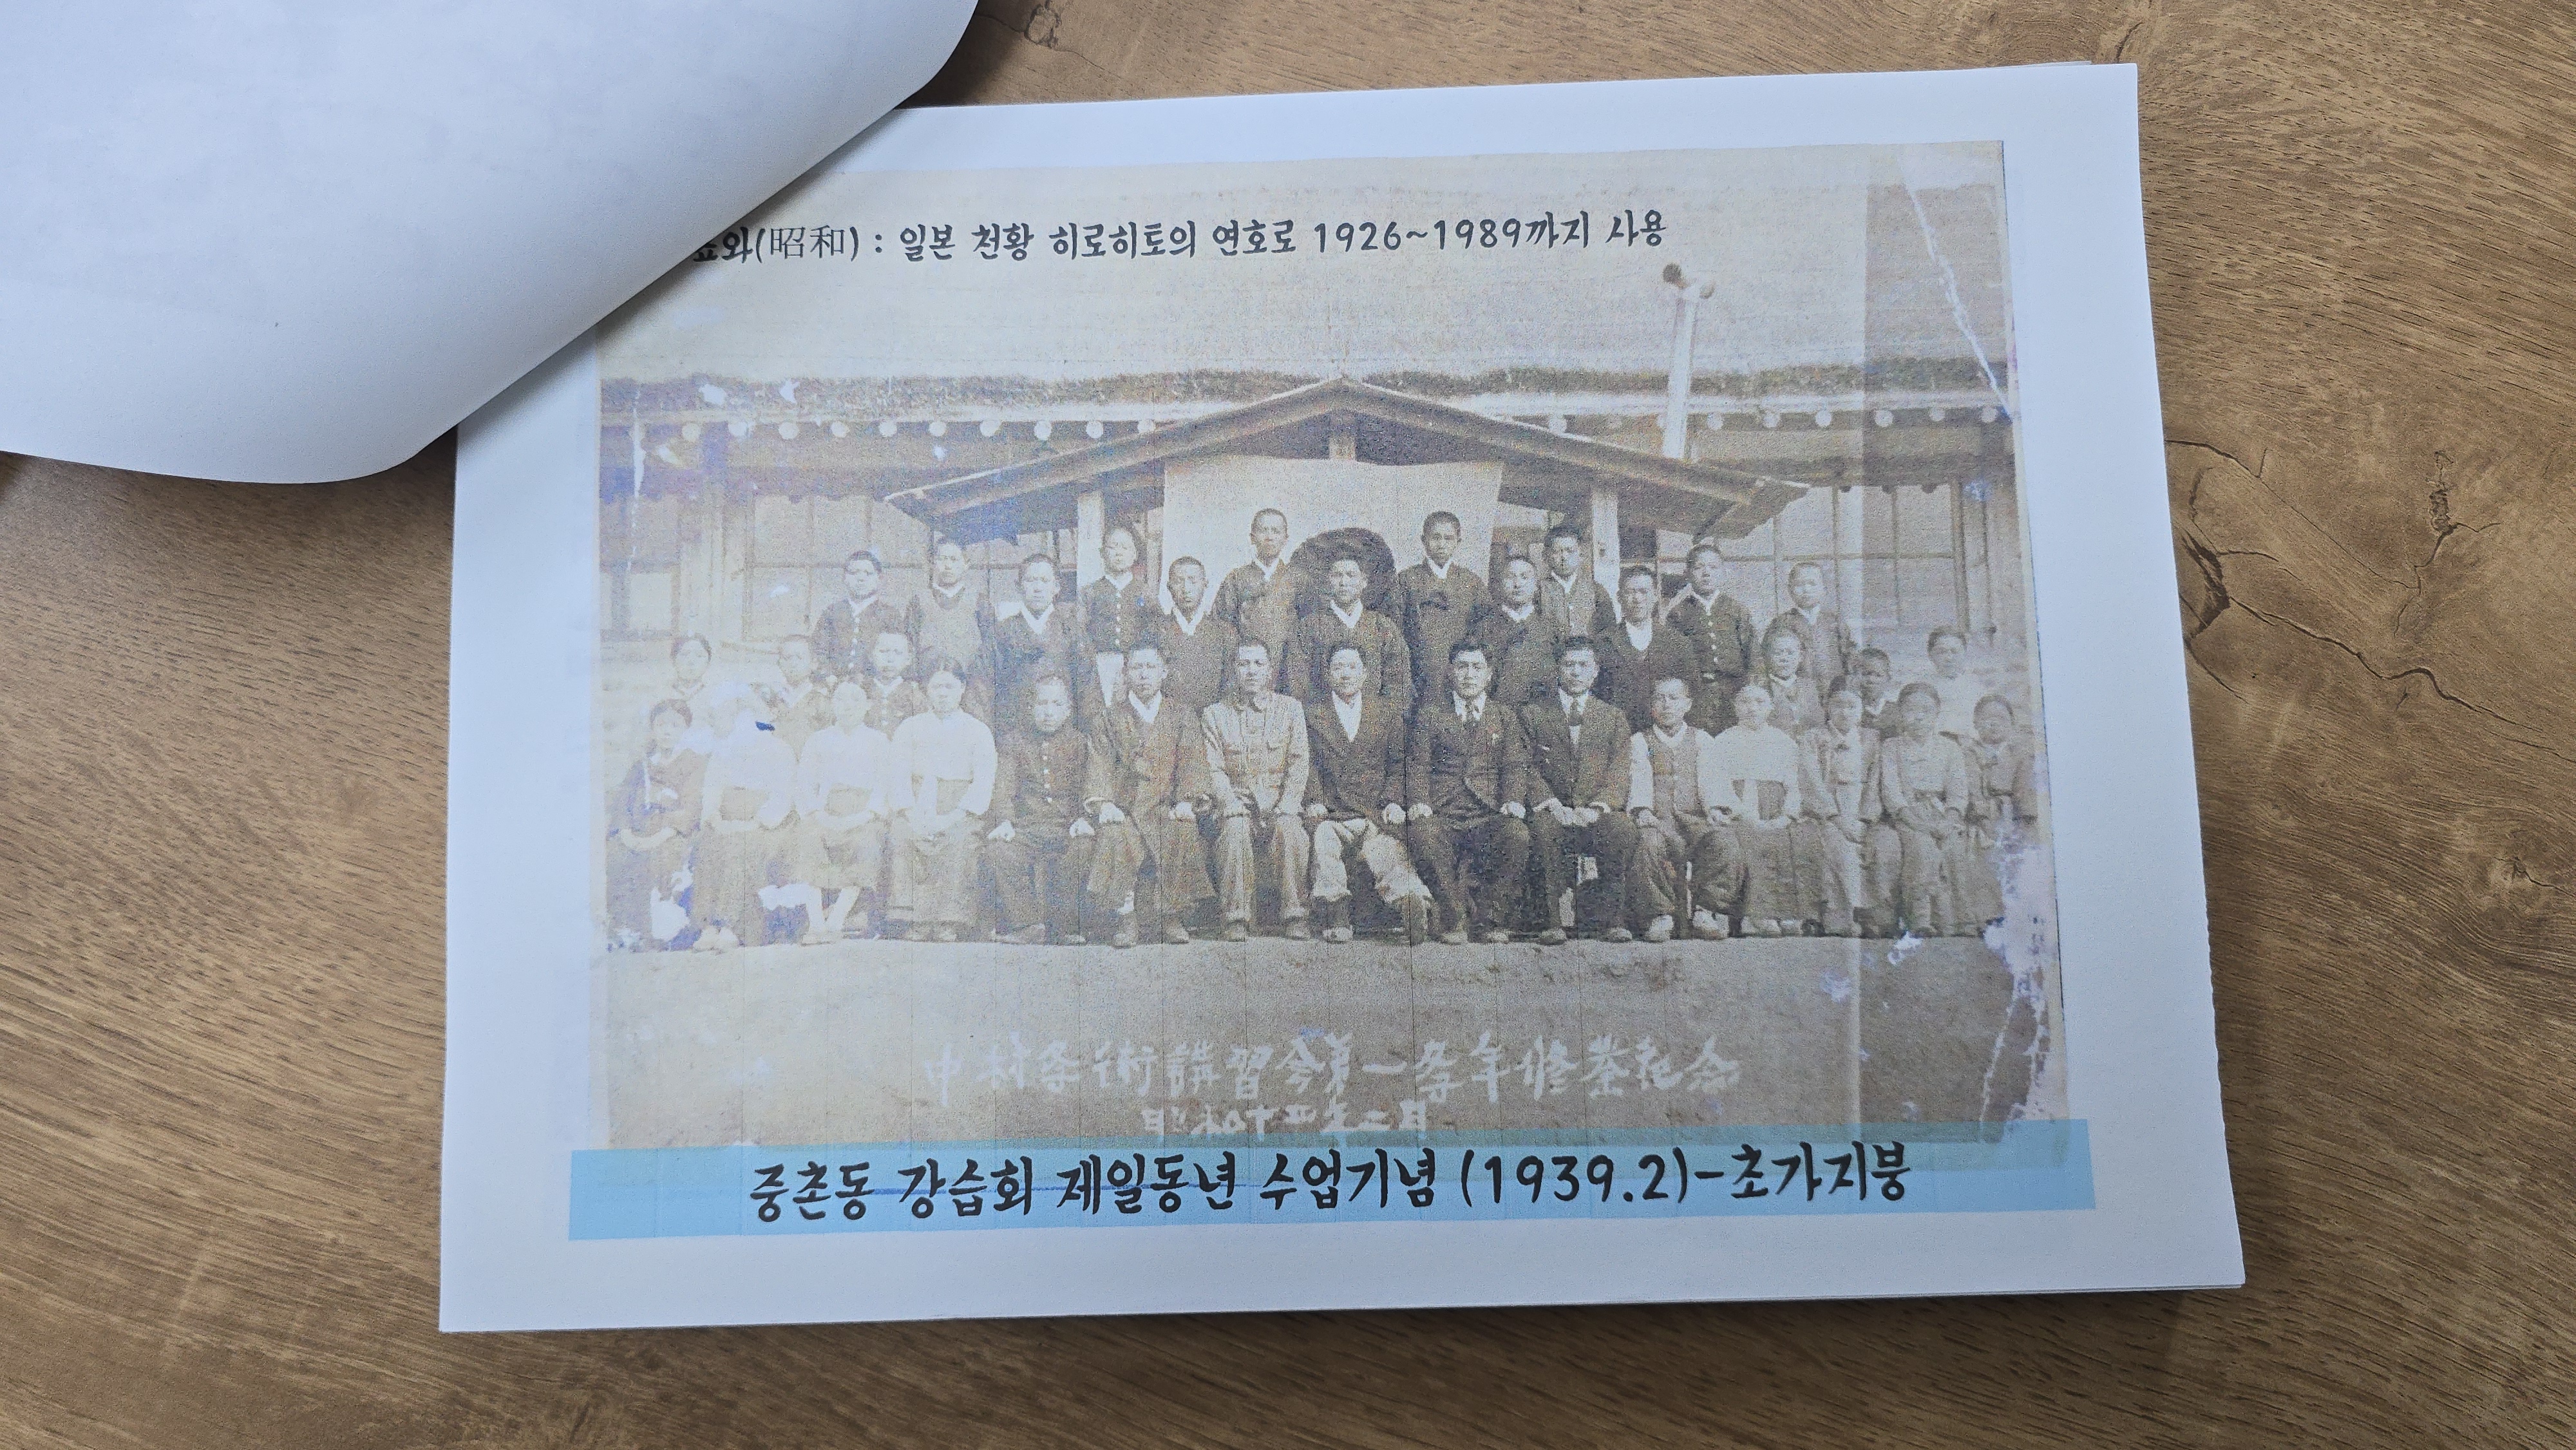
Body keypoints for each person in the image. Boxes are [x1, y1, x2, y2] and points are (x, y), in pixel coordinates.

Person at [1081, 640, 1216, 947]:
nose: (1143, 675)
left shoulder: (1181, 715)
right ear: (1126, 673)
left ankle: (1171, 915)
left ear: (1164, 672)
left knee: (1182, 827)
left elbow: (1192, 762)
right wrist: (1104, 804)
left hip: (1164, 806)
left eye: (1151, 667)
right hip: (1125, 809)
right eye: (1136, 668)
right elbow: (1100, 764)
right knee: (1115, 833)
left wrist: (1187, 800)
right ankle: (1126, 916)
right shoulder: (1109, 717)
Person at [1303, 642, 1431, 945]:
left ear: (1365, 674)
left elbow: (1397, 764)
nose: (1345, 675)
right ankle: (1336, 912)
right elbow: (1308, 764)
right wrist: (1315, 800)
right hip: (1334, 812)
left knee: (1387, 849)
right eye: (1338, 668)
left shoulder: (1386, 713)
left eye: (1352, 667)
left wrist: (1393, 801)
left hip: (1374, 810)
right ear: (1327, 674)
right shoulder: (1313, 715)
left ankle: (1411, 904)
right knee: (1324, 840)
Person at [1405, 641, 1531, 945]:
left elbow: (1515, 766)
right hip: (1444, 811)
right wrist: (1420, 801)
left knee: (1516, 834)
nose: (1469, 675)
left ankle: (1491, 919)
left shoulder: (1504, 716)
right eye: (1462, 667)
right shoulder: (1431, 715)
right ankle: (1454, 917)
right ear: (1451, 672)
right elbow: (1418, 764)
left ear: (1489, 674)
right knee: (1422, 833)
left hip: (1487, 812)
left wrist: (1513, 800)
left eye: (1477, 668)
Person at [1520, 637, 1639, 945]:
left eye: (1583, 665)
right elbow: (1526, 767)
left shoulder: (1612, 717)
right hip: (1554, 811)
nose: (1575, 672)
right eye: (1569, 665)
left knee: (1622, 829)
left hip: (1594, 812)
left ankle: (1612, 920)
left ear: (1596, 670)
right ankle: (1552, 922)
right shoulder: (1534, 714)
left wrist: (1598, 807)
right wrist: (1552, 804)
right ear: (1558, 669)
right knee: (1542, 830)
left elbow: (1619, 770)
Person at [1202, 639, 1312, 941]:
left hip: (1279, 802)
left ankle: (1296, 915)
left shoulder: (1290, 709)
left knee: (1290, 829)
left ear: (1269, 670)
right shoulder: (1215, 714)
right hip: (1237, 802)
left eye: (1258, 664)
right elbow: (1214, 769)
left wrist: (1289, 803)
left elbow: (1299, 762)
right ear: (1234, 670)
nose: (1251, 671)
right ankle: (1236, 918)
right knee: (1235, 829)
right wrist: (1228, 803)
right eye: (1243, 664)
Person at [1626, 676, 1745, 942]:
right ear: (1651, 706)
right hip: (1659, 821)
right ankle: (1660, 914)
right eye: (1660, 699)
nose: (1666, 704)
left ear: (1687, 705)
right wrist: (1643, 810)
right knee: (1646, 844)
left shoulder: (1701, 739)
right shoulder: (1641, 741)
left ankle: (1707, 910)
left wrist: (1715, 808)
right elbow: (1639, 778)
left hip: (1694, 820)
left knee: (1724, 840)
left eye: (1674, 698)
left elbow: (1713, 780)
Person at [887, 657, 997, 943]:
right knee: (904, 833)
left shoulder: (978, 730)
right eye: (937, 687)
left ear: (962, 688)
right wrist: (912, 813)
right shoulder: (910, 727)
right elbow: (898, 774)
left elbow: (983, 781)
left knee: (958, 840)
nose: (943, 694)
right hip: (917, 802)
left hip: (959, 807)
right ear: (927, 689)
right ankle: (915, 919)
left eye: (949, 687)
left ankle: (950, 920)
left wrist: (953, 816)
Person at [985, 673, 1098, 945]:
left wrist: (1084, 817)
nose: (1048, 712)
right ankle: (1028, 924)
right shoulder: (1015, 742)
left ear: (1068, 710)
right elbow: (1004, 786)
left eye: (1056, 704)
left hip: (1066, 826)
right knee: (999, 849)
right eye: (1042, 704)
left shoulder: (1079, 743)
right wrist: (1005, 821)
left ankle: (1063, 926)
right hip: (1028, 828)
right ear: (1031, 707)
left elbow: (1089, 784)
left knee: (1083, 846)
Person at [788, 679, 904, 943]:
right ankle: (816, 922)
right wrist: (818, 814)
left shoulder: (879, 741)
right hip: (825, 810)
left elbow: (885, 785)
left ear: (868, 705)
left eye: (855, 700)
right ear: (832, 704)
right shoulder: (818, 740)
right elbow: (805, 783)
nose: (847, 706)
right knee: (809, 838)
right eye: (840, 699)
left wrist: (865, 815)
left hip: (864, 814)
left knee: (867, 842)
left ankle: (838, 918)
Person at [1864, 681, 1979, 937]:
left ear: (1937, 713)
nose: (1918, 717)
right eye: (1911, 710)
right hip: (1908, 815)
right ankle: (1920, 918)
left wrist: (1949, 819)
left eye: (1926, 710)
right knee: (1922, 848)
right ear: (1900, 713)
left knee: (1955, 849)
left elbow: (1958, 790)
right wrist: (1918, 823)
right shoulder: (1891, 747)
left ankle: (1956, 920)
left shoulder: (1950, 748)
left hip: (1942, 813)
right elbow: (1891, 792)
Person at [690, 684, 797, 950]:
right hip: (726, 819)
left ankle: (730, 925)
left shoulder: (781, 750)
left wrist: (755, 823)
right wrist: (715, 818)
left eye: (759, 716)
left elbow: (783, 794)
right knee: (708, 843)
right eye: (746, 715)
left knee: (740, 846)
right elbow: (712, 788)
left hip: (762, 825)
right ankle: (707, 925)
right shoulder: (725, 749)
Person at [1705, 682, 1806, 936]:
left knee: (1791, 840)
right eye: (1745, 702)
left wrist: (1787, 815)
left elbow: (1795, 785)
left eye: (1760, 702)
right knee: (1751, 841)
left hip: (1776, 809)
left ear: (1770, 707)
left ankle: (1787, 912)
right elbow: (1719, 784)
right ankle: (1757, 915)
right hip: (1740, 810)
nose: (1752, 708)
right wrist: (1742, 813)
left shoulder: (1784, 742)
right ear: (1735, 707)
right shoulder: (1724, 741)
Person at [607, 698, 705, 949]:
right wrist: (627, 834)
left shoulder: (694, 763)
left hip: (672, 834)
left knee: (662, 857)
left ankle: (660, 932)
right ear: (653, 729)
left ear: (686, 730)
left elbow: (691, 808)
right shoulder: (641, 765)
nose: (667, 732)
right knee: (618, 853)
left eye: (675, 725)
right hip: (638, 832)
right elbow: (623, 804)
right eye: (661, 725)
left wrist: (656, 838)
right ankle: (626, 929)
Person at [1283, 554, 1410, 718]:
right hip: (1324, 722)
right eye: (1338, 575)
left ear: (1363, 581)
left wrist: (1381, 719)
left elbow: (1398, 682)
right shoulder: (1310, 626)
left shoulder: (1382, 626)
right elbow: (1298, 682)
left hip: (1373, 722)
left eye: (1351, 575)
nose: (1344, 582)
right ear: (1329, 580)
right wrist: (1317, 719)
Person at [1799, 684, 1881, 937]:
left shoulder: (1872, 739)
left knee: (1881, 846)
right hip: (1828, 812)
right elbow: (1811, 781)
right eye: (1838, 705)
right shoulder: (1813, 738)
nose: (1845, 712)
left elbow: (1875, 784)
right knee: (1838, 844)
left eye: (1852, 706)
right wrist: (1835, 817)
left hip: (1861, 811)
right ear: (1827, 708)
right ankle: (1845, 914)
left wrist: (1865, 820)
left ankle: (1876, 912)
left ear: (1862, 710)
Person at [1387, 511, 1484, 709]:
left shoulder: (1471, 583)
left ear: (1458, 542)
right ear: (1424, 540)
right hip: (1420, 675)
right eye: (1436, 538)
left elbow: (1483, 629)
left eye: (1448, 539)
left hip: (1461, 676)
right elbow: (1394, 632)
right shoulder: (1406, 580)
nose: (1442, 544)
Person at [1962, 693, 2041, 928]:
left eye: (2001, 719)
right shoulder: (1969, 754)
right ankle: (1989, 914)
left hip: (2012, 816)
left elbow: (2025, 794)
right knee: (1982, 855)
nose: (1994, 724)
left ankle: (2023, 911)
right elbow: (1971, 789)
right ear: (1976, 724)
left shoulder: (2021, 755)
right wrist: (1980, 811)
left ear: (2012, 724)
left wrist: (2024, 821)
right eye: (1987, 719)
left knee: (2021, 853)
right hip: (1979, 817)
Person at [1664, 542, 1758, 733]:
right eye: (1699, 567)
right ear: (1688, 573)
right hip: (1698, 696)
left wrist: (1751, 690)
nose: (1706, 573)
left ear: (1723, 572)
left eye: (1713, 567)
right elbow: (1673, 662)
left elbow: (1753, 655)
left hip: (1736, 693)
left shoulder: (1737, 610)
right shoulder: (1678, 614)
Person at [1211, 507, 1305, 687]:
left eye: (1276, 531)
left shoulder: (1298, 579)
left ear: (1286, 539)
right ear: (1252, 537)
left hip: (1287, 670)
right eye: (1263, 531)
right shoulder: (1236, 579)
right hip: (1248, 670)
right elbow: (1221, 627)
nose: (1269, 537)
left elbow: (1307, 628)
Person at [989, 554, 1082, 728]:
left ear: (1056, 587)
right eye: (1030, 580)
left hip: (1062, 732)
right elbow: (984, 686)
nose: (1038, 588)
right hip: (1015, 731)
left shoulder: (1071, 631)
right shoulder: (1003, 632)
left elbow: (1088, 688)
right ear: (1019, 586)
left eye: (1045, 581)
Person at [1596, 565, 1696, 728]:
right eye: (1630, 592)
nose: (1637, 599)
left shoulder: (1677, 642)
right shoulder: (1604, 642)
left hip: (1664, 730)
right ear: (1619, 597)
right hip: (1619, 731)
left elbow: (1691, 690)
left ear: (1656, 596)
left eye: (1644, 592)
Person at [905, 536, 992, 720]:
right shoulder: (919, 601)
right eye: (942, 559)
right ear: (933, 563)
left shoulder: (979, 601)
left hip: (970, 691)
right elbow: (909, 646)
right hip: (928, 691)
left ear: (966, 564)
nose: (948, 566)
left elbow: (989, 648)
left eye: (954, 559)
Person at [1079, 523, 1159, 717]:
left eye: (1125, 548)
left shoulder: (1144, 592)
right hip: (1100, 665)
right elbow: (1079, 631)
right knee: (1100, 713)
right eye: (1113, 547)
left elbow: (1156, 627)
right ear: (1103, 553)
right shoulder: (1090, 592)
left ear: (1135, 555)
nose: (1119, 553)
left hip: (1135, 666)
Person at [1466, 554, 1559, 709]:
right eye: (1510, 577)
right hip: (1496, 713)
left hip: (1541, 714)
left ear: (1536, 585)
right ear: (1500, 584)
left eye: (1524, 577)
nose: (1517, 584)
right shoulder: (1483, 628)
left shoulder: (1551, 629)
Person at [1150, 555, 1236, 715]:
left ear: (1205, 584)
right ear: (1169, 587)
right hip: (1168, 720)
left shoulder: (1224, 632)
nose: (1186, 589)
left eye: (1193, 581)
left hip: (1212, 720)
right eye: (1179, 581)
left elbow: (1230, 686)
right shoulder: (1156, 631)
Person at [811, 549, 909, 686]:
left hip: (875, 685)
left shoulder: (890, 615)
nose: (861, 579)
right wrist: (828, 675)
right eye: (854, 573)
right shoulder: (832, 612)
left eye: (868, 574)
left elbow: (899, 654)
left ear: (879, 579)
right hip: (834, 684)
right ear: (844, 578)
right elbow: (818, 649)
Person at [1766, 560, 1856, 695]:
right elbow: (1769, 661)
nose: (1806, 590)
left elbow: (1849, 657)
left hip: (1834, 692)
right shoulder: (1781, 623)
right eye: (1799, 585)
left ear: (1824, 588)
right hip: (1796, 694)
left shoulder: (1835, 622)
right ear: (1790, 590)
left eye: (1812, 584)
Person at [758, 634, 834, 756]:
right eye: (787, 658)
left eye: (799, 658)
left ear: (814, 663)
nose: (793, 664)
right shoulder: (771, 699)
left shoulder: (822, 701)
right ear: (779, 662)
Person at [1536, 522, 1615, 639]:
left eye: (1570, 551)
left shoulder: (1596, 590)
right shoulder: (1538, 590)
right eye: (1557, 552)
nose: (1564, 557)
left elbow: (1609, 630)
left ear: (1580, 554)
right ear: (1547, 555)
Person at [1914, 626, 1991, 742]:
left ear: (1964, 653)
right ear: (1930, 655)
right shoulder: (1921, 687)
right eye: (1942, 652)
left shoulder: (1976, 687)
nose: (1949, 658)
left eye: (1955, 652)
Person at [1750, 624, 1826, 735]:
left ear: (1800, 657)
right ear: (1767, 656)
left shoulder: (1810, 687)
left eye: (1790, 653)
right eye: (1778, 653)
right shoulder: (1761, 687)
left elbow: (1819, 723)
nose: (1784, 659)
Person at [667, 633, 717, 753]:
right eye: (684, 655)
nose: (691, 662)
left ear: (708, 662)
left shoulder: (715, 697)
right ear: (673, 660)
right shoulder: (662, 695)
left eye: (699, 656)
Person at [1847, 647, 1899, 735]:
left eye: (1878, 675)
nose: (1871, 680)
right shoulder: (1852, 709)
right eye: (1865, 674)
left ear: (1888, 678)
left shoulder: (1895, 710)